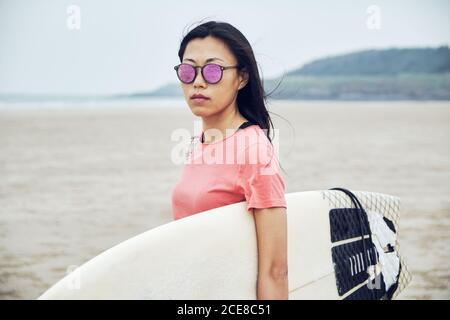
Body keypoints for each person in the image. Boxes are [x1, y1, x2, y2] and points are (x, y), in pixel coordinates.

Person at [171, 21, 288, 300]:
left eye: (213, 70)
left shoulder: (254, 151)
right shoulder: (199, 142)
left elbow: (275, 271)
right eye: (188, 70)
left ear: (242, 78)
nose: (198, 81)